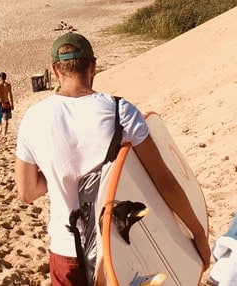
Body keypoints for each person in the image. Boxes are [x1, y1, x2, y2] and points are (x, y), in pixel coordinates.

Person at [15, 32, 210, 286]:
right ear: (93, 66)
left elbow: (27, 192)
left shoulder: (33, 118)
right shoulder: (121, 112)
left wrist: (58, 175)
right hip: (116, 250)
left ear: (54, 71)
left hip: (66, 250)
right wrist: (198, 234)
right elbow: (164, 180)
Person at [0, 71, 14, 136]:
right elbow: (10, 95)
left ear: (0, 78)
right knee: (6, 120)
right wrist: (12, 103)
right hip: (7, 103)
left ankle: (1, 128)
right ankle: (4, 133)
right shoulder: (8, 85)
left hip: (0, 103)